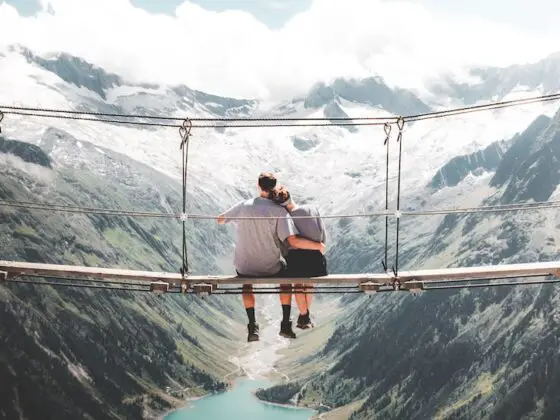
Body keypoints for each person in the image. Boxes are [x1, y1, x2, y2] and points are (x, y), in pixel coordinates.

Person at [217, 172, 325, 342]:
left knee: (246, 283)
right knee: (286, 278)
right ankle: (285, 324)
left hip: (244, 266)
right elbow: (292, 241)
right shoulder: (278, 211)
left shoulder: (243, 205)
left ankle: (252, 326)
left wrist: (241, 221)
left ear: (257, 185)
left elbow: (221, 219)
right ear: (274, 187)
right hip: (270, 267)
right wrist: (318, 246)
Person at [272, 186, 327, 330]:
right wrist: (319, 247)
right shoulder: (312, 209)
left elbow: (291, 242)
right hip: (317, 261)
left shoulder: (285, 217)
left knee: (297, 284)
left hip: (297, 260)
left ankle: (304, 315)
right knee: (309, 284)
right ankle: (304, 317)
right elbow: (323, 235)